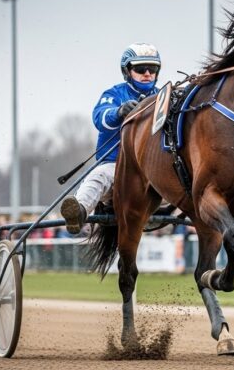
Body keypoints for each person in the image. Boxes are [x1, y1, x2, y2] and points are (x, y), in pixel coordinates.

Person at [60, 43, 162, 233]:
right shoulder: (114, 94)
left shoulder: (163, 96)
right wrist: (118, 112)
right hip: (117, 165)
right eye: (141, 69)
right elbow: (99, 118)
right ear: (127, 71)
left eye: (153, 69)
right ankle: (79, 212)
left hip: (153, 168)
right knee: (98, 176)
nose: (147, 73)